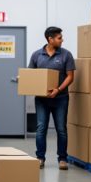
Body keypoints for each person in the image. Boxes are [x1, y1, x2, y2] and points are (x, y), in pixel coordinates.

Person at [29, 26, 75, 170]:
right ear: (50, 39)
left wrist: (58, 89)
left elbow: (70, 76)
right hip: (42, 99)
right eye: (59, 38)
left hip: (61, 98)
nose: (62, 40)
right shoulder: (37, 55)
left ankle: (62, 159)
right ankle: (40, 158)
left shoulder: (66, 55)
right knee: (41, 128)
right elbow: (30, 75)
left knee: (61, 129)